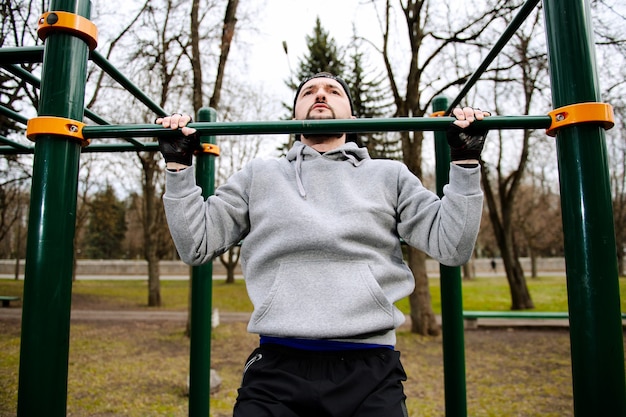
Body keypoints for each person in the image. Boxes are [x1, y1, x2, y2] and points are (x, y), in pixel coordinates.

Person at [156, 72, 489, 417]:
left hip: (369, 365)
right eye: (309, 92)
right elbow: (197, 244)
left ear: (352, 118)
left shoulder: (389, 175)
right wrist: (179, 167)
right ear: (295, 115)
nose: (320, 95)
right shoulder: (260, 176)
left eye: (333, 91)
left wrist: (464, 162)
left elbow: (452, 246)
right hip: (278, 366)